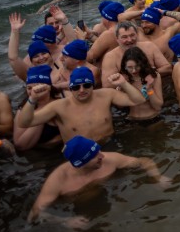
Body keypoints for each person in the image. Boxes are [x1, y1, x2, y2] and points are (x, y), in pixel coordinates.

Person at [28, 135, 170, 227]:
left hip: (110, 196)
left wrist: (158, 177)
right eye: (95, 156)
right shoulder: (58, 180)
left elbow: (144, 161)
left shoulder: (110, 159)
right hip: (78, 208)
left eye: (99, 151)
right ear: (81, 163)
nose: (102, 156)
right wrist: (65, 221)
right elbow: (35, 213)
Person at [18, 66, 147, 143]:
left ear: (93, 85)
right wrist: (32, 99)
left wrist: (123, 83)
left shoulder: (107, 95)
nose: (81, 90)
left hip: (109, 144)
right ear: (69, 88)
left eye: (86, 85)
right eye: (76, 87)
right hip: (79, 154)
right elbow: (24, 123)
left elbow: (139, 100)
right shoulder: (59, 106)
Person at [13, 66, 62, 151]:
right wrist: (40, 107)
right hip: (35, 155)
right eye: (29, 88)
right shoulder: (24, 106)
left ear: (48, 87)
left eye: (37, 87)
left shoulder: (60, 105)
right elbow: (20, 145)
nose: (33, 91)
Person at [120, 47, 163, 120]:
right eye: (130, 67)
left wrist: (149, 89)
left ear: (142, 64)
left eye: (137, 66)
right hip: (131, 119)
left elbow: (158, 106)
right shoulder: (123, 79)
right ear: (124, 66)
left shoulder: (153, 76)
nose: (134, 71)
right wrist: (120, 89)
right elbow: (120, 106)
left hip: (152, 118)